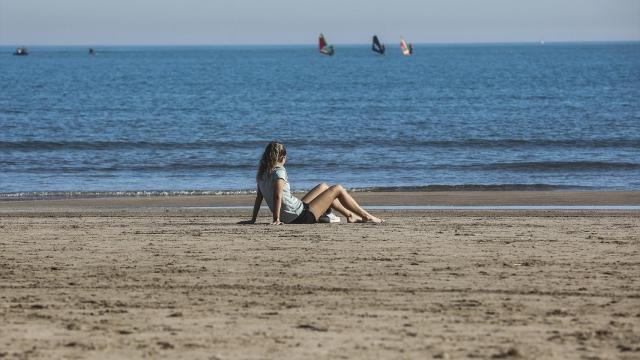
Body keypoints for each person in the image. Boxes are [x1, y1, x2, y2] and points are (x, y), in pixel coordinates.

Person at [239, 141, 384, 225]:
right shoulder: (279, 171)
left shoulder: (262, 174)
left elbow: (259, 197)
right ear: (282, 157)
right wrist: (276, 219)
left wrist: (253, 219)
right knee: (337, 189)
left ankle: (349, 215)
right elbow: (277, 196)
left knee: (323, 187)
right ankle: (366, 216)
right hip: (300, 216)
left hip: (295, 209)